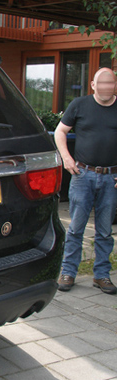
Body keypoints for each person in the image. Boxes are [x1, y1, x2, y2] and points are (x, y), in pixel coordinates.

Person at [54, 67, 117, 295]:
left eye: (110, 83)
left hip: (112, 178)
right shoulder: (79, 105)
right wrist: (66, 158)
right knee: (76, 228)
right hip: (82, 175)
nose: (106, 87)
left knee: (104, 231)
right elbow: (60, 132)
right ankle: (68, 272)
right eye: (101, 83)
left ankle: (101, 275)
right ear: (93, 85)